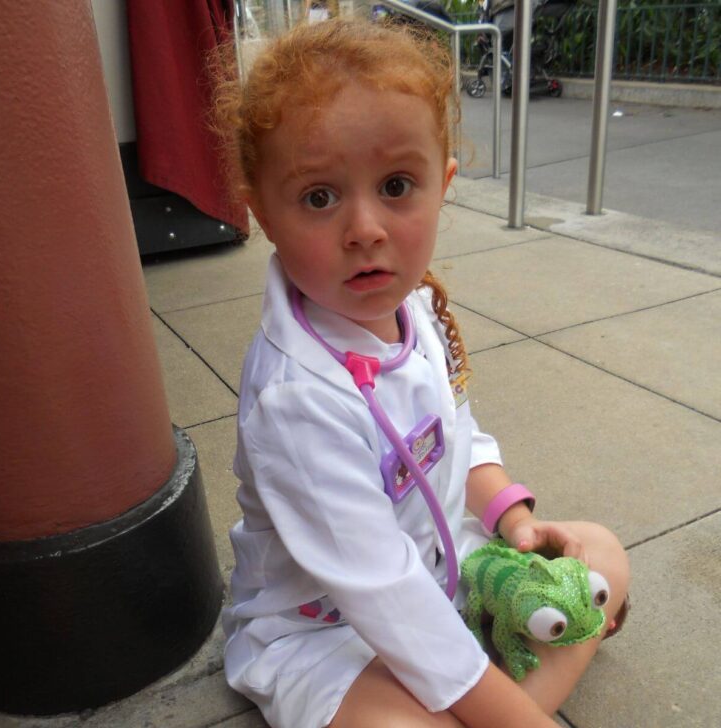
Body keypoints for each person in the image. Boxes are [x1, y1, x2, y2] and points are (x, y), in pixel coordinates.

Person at [213, 18, 630, 728]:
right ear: (263, 216)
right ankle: (517, 685)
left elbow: (454, 432)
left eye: (398, 185)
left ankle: (498, 685)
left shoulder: (413, 313)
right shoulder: (295, 401)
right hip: (324, 626)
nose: (366, 228)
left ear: (444, 186)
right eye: (319, 197)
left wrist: (514, 518)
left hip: (441, 563)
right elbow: (384, 594)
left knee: (605, 557)